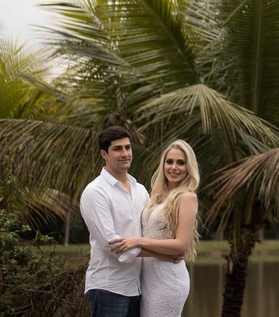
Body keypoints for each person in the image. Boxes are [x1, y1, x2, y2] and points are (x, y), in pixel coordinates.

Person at [109, 139, 200, 317]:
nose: (174, 167)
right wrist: (132, 247)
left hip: (168, 280)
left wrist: (137, 241)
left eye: (181, 163)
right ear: (163, 164)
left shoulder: (187, 197)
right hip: (147, 279)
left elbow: (181, 245)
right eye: (169, 161)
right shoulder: (157, 197)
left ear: (189, 167)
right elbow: (150, 244)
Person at [80, 126, 149, 317]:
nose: (125, 153)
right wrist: (162, 253)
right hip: (109, 287)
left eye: (128, 147)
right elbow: (112, 244)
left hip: (138, 287)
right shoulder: (95, 192)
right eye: (118, 149)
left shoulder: (141, 190)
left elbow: (149, 231)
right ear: (104, 154)